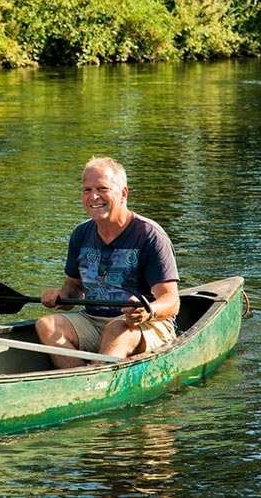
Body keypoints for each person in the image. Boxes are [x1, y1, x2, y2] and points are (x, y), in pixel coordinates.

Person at [35, 157, 181, 369]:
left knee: (117, 329)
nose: (94, 196)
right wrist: (61, 297)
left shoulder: (149, 235)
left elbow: (172, 301)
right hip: (93, 320)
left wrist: (148, 310)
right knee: (47, 325)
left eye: (102, 188)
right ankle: (80, 380)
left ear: (123, 193)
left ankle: (90, 382)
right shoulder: (81, 234)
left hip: (144, 325)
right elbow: (75, 287)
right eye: (87, 190)